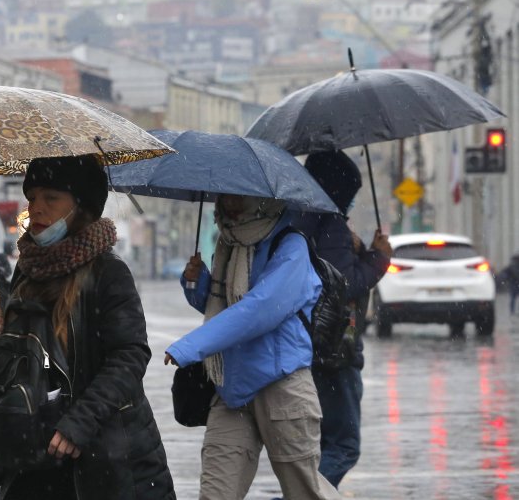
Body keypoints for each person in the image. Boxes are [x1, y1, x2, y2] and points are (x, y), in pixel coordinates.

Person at [0, 155, 175, 500]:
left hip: (106, 455)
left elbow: (129, 356)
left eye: (51, 198)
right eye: (32, 197)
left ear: (81, 207)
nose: (36, 208)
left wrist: (79, 422)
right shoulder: (26, 270)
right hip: (37, 452)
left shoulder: (108, 273)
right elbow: (22, 361)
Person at [165, 194, 340, 500]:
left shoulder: (290, 245)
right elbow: (222, 306)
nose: (230, 201)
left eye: (241, 195)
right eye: (226, 193)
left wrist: (192, 346)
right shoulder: (229, 243)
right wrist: (197, 282)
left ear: (263, 198)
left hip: (282, 384)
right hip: (232, 387)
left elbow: (259, 310)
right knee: (216, 493)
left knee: (305, 493)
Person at [293, 150, 392, 489]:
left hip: (309, 345)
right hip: (336, 348)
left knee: (322, 444)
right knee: (344, 446)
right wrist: (379, 259)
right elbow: (342, 285)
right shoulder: (329, 223)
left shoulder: (299, 219)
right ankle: (302, 497)